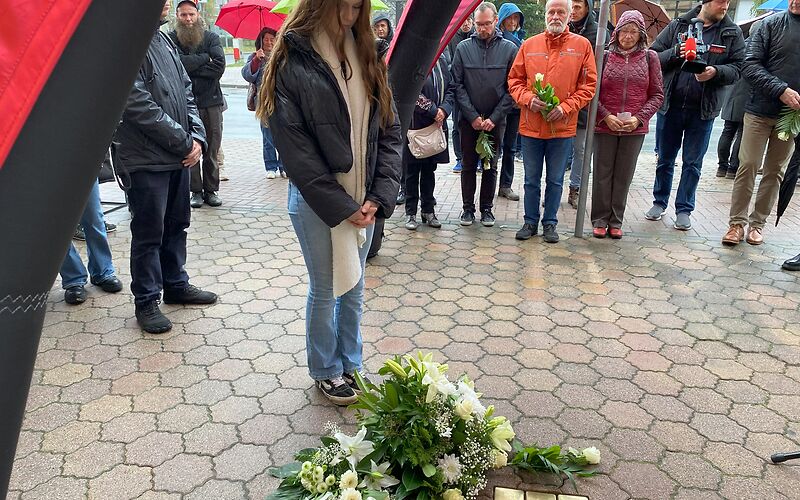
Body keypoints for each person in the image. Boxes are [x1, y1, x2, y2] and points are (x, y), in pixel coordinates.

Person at [259, 0, 402, 405]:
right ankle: (325, 369)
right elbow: (296, 150)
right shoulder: (293, 58)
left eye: (357, 6)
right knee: (325, 288)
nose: (349, 15)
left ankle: (351, 363)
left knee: (354, 286)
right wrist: (343, 206)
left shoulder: (370, 54)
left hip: (364, 198)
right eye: (341, 5)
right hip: (316, 199)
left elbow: (389, 130)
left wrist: (378, 196)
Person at [116, 0, 217, 334]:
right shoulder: (128, 41)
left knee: (177, 224)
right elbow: (136, 104)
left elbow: (186, 90)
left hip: (177, 156)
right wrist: (184, 142)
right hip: (146, 160)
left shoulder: (163, 39)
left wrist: (197, 137)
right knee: (149, 233)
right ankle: (146, 300)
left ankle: (175, 284)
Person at [645, 0, 745, 231]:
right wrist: (676, 53)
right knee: (665, 159)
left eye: (728, 2)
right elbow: (653, 57)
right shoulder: (679, 25)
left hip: (703, 110)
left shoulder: (731, 32)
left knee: (692, 163)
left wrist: (715, 72)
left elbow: (739, 68)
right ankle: (659, 202)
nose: (725, 6)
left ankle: (684, 210)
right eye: (721, 1)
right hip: (670, 106)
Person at [508, 0, 597, 243]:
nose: (555, 16)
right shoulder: (529, 44)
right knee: (530, 180)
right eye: (551, 12)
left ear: (569, 15)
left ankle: (550, 223)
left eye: (561, 12)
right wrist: (528, 99)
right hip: (531, 127)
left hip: (562, 128)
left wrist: (565, 107)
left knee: (556, 180)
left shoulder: (582, 46)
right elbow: (514, 80)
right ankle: (530, 222)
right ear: (546, 14)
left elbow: (588, 86)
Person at [722, 3, 800, 246]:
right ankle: (736, 223)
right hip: (759, 110)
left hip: (792, 116)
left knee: (775, 171)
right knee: (748, 165)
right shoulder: (771, 24)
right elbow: (750, 64)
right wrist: (781, 90)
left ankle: (757, 224)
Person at [591, 10, 664, 239]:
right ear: (616, 32)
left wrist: (638, 118)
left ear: (641, 34)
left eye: (633, 32)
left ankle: (616, 220)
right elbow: (592, 92)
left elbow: (657, 95)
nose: (628, 36)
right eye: (624, 31)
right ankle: (600, 219)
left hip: (634, 128)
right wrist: (605, 116)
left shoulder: (650, 58)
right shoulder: (603, 56)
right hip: (605, 125)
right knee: (602, 173)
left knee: (623, 175)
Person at [451, 2, 518, 228]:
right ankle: (467, 208)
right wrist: (472, 116)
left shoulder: (509, 49)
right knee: (468, 164)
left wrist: (495, 117)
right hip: (469, 120)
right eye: (479, 25)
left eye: (487, 24)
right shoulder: (463, 48)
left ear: (496, 20)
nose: (482, 29)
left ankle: (487, 209)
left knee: (491, 165)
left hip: (495, 120)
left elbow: (513, 88)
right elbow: (457, 85)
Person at [169, 0, 226, 209]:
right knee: (190, 147)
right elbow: (175, 67)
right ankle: (195, 191)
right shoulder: (171, 39)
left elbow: (219, 67)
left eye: (191, 14)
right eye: (183, 15)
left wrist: (189, 67)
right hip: (184, 103)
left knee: (212, 147)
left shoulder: (211, 38)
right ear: (177, 16)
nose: (188, 19)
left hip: (211, 102)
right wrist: (204, 59)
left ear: (198, 14)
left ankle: (211, 190)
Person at [403, 53, 455, 230]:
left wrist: (444, 110)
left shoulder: (442, 60)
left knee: (429, 170)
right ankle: (410, 212)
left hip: (436, 126)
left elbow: (451, 88)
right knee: (411, 172)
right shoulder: (413, 59)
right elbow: (410, 89)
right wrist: (433, 111)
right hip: (415, 125)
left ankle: (428, 210)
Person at [566, 0, 605, 209]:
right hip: (561, 99)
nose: (573, 11)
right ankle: (554, 189)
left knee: (581, 150)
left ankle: (575, 188)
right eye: (571, 6)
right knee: (559, 149)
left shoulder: (598, 33)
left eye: (578, 7)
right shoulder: (562, 28)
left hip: (584, 101)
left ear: (587, 8)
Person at [60, 180, 123, 304]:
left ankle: (103, 271)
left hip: (82, 170)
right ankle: (73, 279)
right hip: (45, 171)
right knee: (57, 224)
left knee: (94, 217)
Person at [242, 27, 285, 179]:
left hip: (281, 101)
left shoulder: (281, 55)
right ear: (260, 41)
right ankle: (271, 166)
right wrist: (256, 60)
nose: (269, 42)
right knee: (268, 136)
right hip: (264, 102)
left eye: (272, 39)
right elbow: (248, 75)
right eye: (265, 39)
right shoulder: (255, 57)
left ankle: (284, 166)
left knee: (284, 135)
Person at [496, 2, 525, 202]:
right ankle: (490, 183)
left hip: (515, 105)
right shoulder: (498, 41)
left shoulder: (521, 42)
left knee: (510, 147)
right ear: (501, 19)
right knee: (494, 145)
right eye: (509, 18)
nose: (513, 22)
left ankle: (505, 185)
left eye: (516, 18)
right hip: (499, 102)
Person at [447, 15, 475, 174]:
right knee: (457, 124)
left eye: (469, 20)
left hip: (473, 88)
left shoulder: (476, 37)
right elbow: (449, 60)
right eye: (464, 20)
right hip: (457, 86)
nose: (466, 23)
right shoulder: (452, 37)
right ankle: (459, 158)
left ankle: (476, 158)